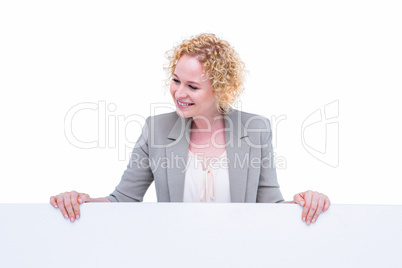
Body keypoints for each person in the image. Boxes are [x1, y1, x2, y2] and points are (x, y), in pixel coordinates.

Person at [50, 33, 330, 225]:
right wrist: (80, 201)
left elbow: (271, 205)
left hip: (239, 255)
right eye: (176, 80)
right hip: (175, 255)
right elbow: (123, 199)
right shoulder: (156, 130)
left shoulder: (256, 129)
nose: (178, 93)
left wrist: (306, 202)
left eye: (192, 86)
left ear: (220, 89)